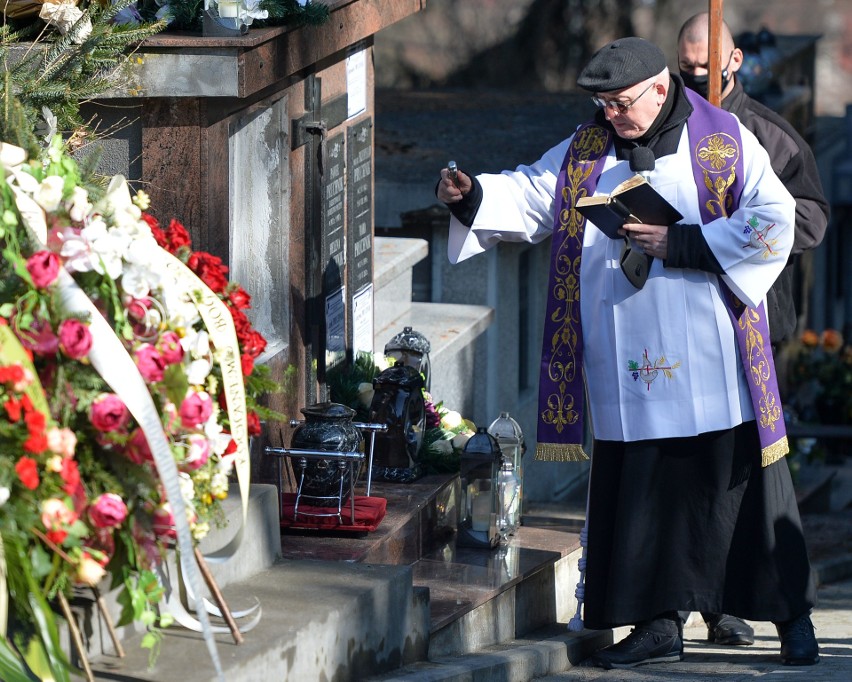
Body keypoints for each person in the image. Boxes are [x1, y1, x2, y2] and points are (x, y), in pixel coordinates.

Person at [436, 36, 819, 670]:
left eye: (621, 103)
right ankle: (656, 623)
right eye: (602, 103)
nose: (610, 115)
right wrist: (471, 196)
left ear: (661, 89)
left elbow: (775, 220)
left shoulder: (722, 140)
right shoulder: (587, 148)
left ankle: (790, 617)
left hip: (712, 357)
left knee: (744, 490)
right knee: (645, 496)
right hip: (628, 362)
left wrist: (686, 244)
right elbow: (534, 194)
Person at [676, 12, 830, 649]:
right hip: (681, 333)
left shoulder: (768, 132)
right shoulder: (670, 133)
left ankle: (793, 615)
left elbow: (811, 221)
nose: (695, 81)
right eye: (684, 70)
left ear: (734, 61)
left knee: (759, 477)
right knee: (693, 477)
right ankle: (711, 608)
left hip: (751, 334)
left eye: (705, 69)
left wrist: (738, 227)